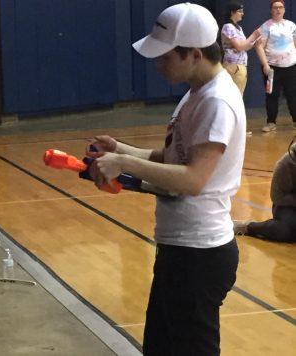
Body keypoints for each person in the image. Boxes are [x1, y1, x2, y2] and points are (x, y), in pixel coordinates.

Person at [87, 3, 244, 355]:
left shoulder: (217, 102)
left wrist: (125, 161)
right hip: (181, 249)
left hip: (199, 255)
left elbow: (192, 179)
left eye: (165, 56)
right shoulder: (196, 94)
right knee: (161, 346)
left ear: (193, 53)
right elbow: (174, 158)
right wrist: (121, 151)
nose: (158, 65)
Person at [234, 137, 296, 242]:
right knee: (286, 230)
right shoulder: (286, 164)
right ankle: (249, 226)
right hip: (286, 206)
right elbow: (277, 197)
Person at [255, 0, 296, 132]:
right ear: (271, 10)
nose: (278, 10)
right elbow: (259, 47)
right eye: (275, 7)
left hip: (291, 66)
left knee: (293, 94)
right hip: (272, 68)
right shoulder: (266, 26)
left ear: (284, 10)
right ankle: (271, 122)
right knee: (271, 95)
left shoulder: (291, 25)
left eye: (280, 7)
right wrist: (265, 65)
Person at [221, 0, 260, 97]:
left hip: (240, 66)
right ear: (232, 12)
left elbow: (244, 47)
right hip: (233, 66)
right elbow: (239, 47)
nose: (242, 13)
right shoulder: (228, 27)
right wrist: (254, 35)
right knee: (233, 97)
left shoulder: (239, 28)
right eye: (240, 11)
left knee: (238, 96)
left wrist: (254, 43)